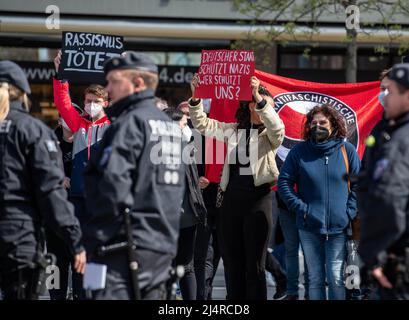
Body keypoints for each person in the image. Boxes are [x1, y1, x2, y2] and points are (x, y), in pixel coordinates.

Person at [82, 52, 185, 300]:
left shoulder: (128, 124)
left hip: (122, 248)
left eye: (114, 81)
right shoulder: (169, 126)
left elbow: (110, 187)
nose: (108, 89)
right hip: (161, 248)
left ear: (137, 83)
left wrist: (93, 238)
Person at [189, 73, 285, 300]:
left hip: (258, 203)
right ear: (251, 106)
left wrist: (258, 97)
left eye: (268, 107)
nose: (266, 110)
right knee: (233, 262)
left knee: (255, 265)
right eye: (262, 106)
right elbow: (202, 124)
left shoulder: (270, 136)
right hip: (231, 203)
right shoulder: (234, 130)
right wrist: (195, 97)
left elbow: (277, 128)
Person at [0, 60, 86, 300]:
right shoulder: (32, 130)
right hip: (19, 235)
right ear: (24, 94)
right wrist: (74, 240)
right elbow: (51, 191)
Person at [278, 104, 360, 300]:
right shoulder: (299, 151)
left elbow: (359, 184)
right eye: (313, 123)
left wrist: (348, 212)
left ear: (333, 124)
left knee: (336, 278)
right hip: (308, 226)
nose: (318, 126)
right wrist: (301, 209)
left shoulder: (346, 149)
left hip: (339, 227)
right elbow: (284, 182)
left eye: (323, 122)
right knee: (314, 278)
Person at [358, 63, 409, 300]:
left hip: (396, 255)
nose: (383, 97)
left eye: (389, 91)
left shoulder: (401, 140)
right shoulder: (388, 130)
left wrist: (373, 254)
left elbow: (390, 197)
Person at [166, 107, 207, 300]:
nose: (185, 128)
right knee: (183, 268)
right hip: (173, 217)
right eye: (183, 124)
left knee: (180, 267)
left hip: (185, 216)